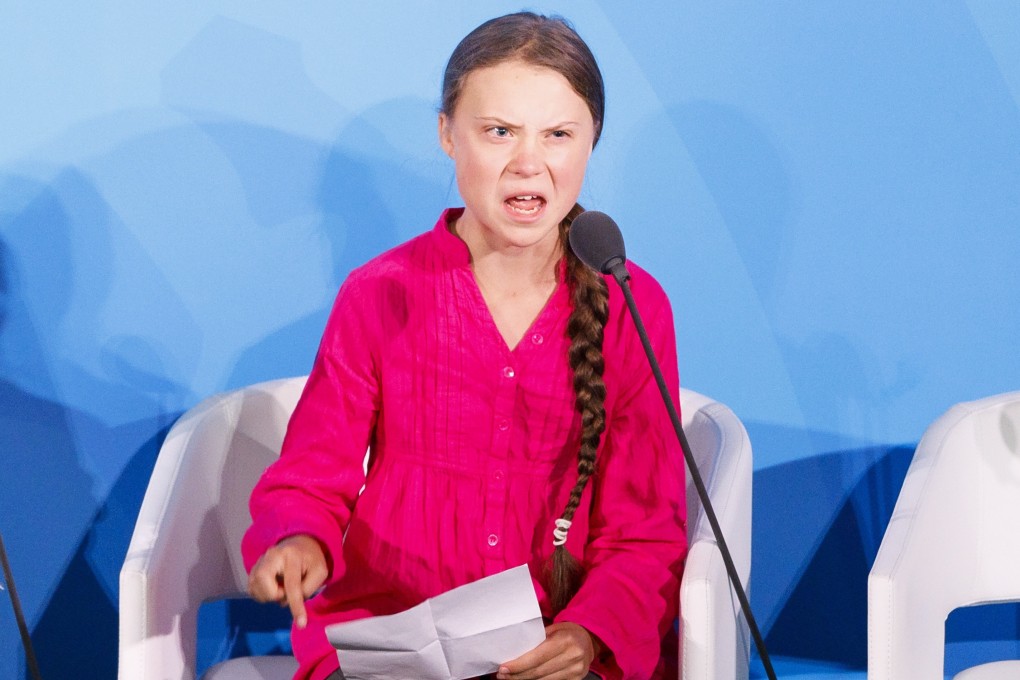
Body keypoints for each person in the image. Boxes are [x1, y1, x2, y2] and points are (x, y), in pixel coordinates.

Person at [243, 12, 687, 680]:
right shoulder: (379, 292)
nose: (528, 162)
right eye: (499, 131)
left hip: (551, 650)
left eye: (558, 135)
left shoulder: (631, 302)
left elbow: (646, 528)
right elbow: (312, 473)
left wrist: (588, 634)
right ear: (448, 134)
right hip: (393, 639)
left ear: (592, 141)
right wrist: (298, 539)